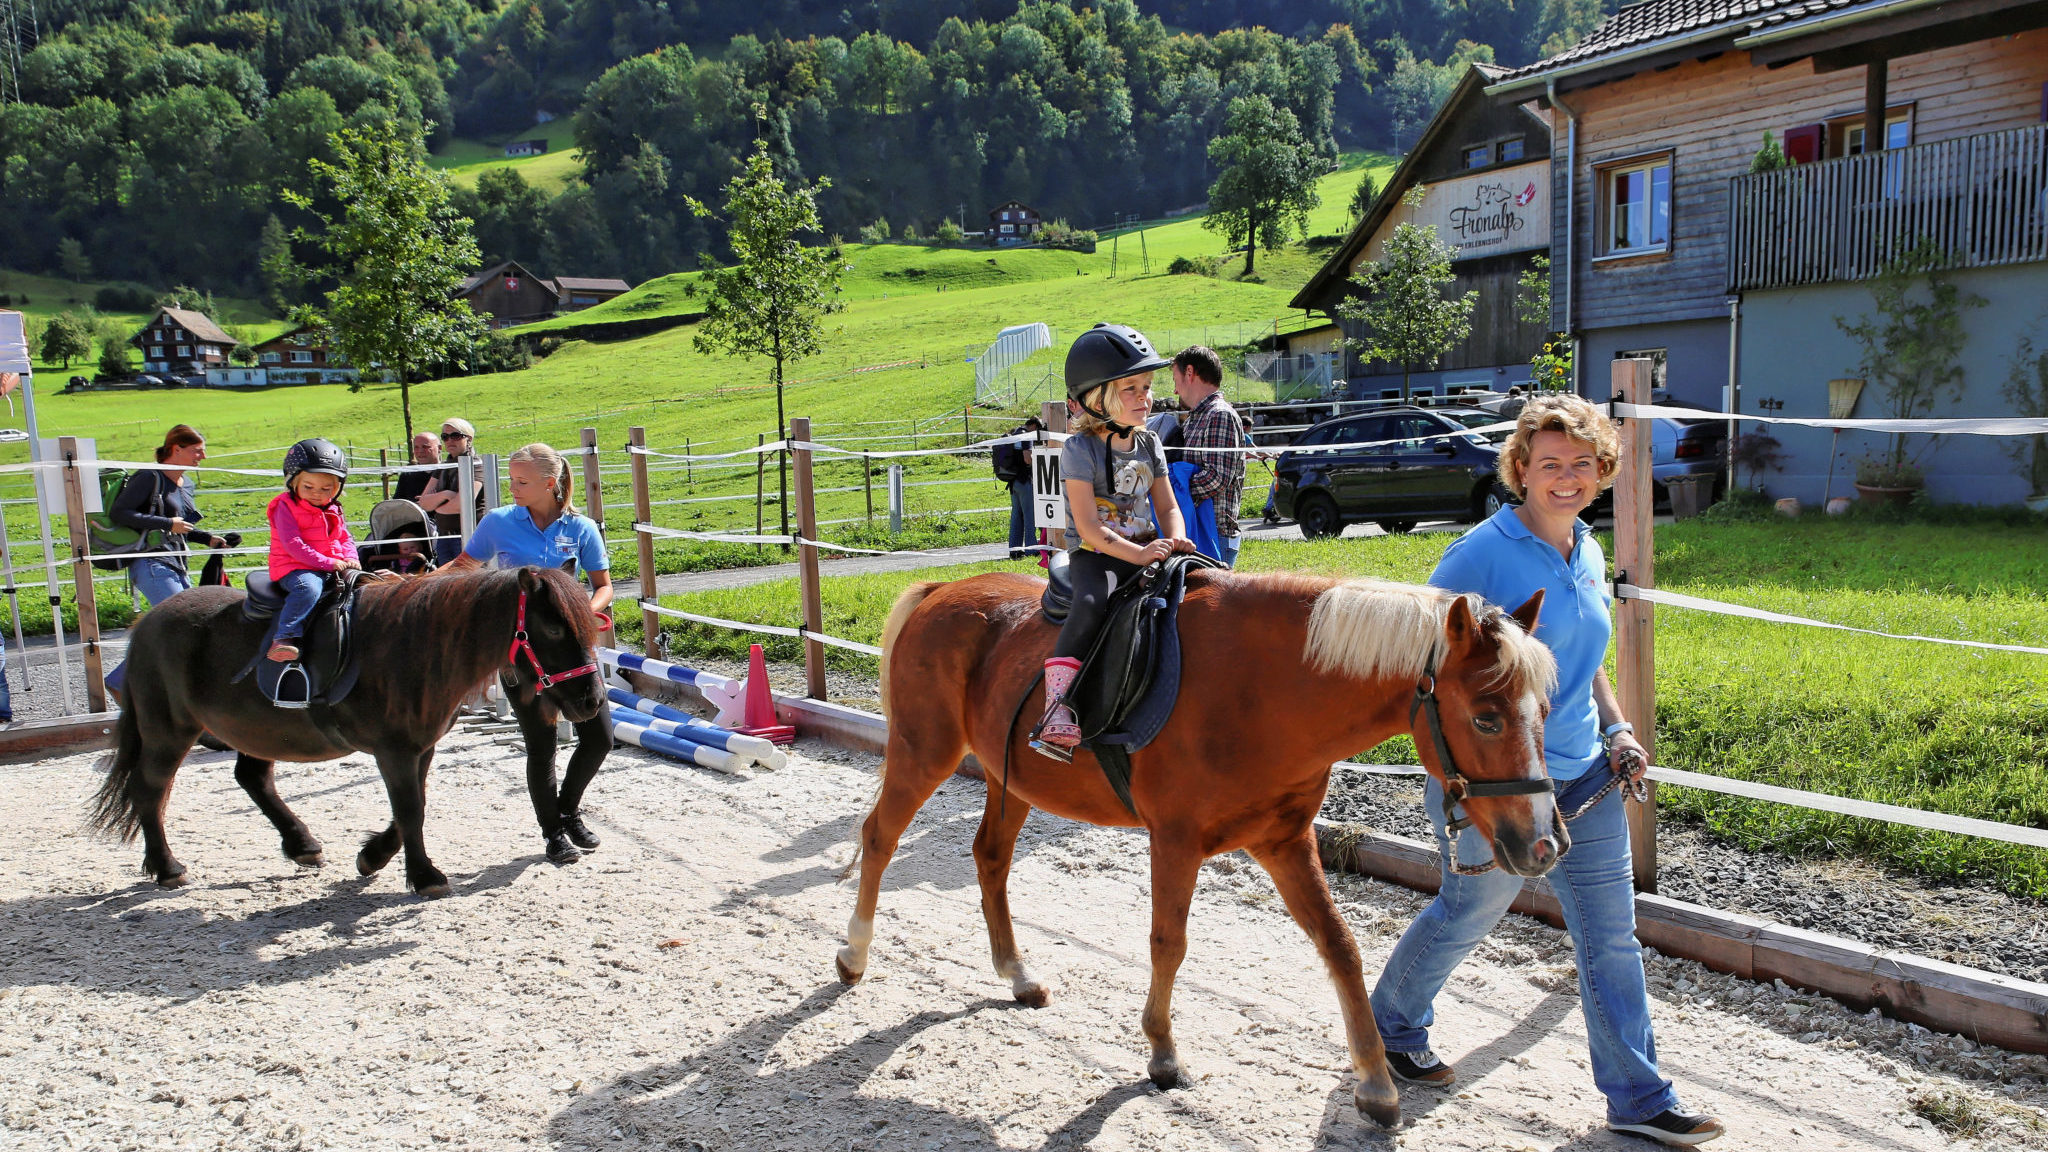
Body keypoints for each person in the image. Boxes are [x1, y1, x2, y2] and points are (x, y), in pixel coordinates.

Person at [1368, 394, 1725, 1147]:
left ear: (1602, 472)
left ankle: (1638, 1097)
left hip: (1584, 779)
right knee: (1471, 912)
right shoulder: (1479, 555)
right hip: (1497, 785)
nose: (1567, 478)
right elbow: (1425, 665)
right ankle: (1392, 1024)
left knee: (1612, 936)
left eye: (1583, 465)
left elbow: (1581, 662)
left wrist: (1619, 726)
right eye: (1550, 464)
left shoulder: (1586, 549)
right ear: (1521, 469)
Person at [435, 442, 613, 865]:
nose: (511, 488)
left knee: (600, 737)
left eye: (520, 481)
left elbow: (604, 585)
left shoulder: (582, 528)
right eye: (511, 479)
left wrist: (580, 613)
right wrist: (413, 586)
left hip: (570, 651)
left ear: (549, 484)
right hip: (518, 653)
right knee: (541, 744)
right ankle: (552, 832)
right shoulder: (497, 522)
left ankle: (568, 809)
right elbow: (462, 566)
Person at [1033, 323, 1193, 757]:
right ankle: (1056, 708)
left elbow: (1167, 508)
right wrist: (1138, 552)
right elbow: (1088, 528)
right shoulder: (1078, 450)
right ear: (1097, 398)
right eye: (1131, 388)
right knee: (1089, 606)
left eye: (1147, 386)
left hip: (1148, 552)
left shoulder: (1151, 442)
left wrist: (1176, 539)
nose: (1146, 397)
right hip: (1097, 556)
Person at [265, 439, 394, 664]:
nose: (317, 493)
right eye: (309, 487)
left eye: (326, 489)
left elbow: (344, 537)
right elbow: (292, 544)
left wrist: (351, 558)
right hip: (295, 567)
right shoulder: (284, 507)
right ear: (293, 482)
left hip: (330, 564)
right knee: (308, 588)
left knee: (367, 587)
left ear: (337, 489)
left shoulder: (334, 508)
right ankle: (285, 637)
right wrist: (326, 562)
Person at [111, 424, 230, 607]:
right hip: (151, 562)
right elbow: (119, 513)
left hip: (178, 564)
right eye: (197, 451)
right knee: (181, 621)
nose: (203, 457)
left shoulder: (187, 483)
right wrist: (167, 523)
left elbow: (179, 525)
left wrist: (207, 539)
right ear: (176, 449)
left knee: (184, 621)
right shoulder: (148, 477)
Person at [1167, 345, 1247, 567]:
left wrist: (1169, 492)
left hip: (1215, 535)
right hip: (1201, 530)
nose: (1175, 390)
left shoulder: (1219, 415)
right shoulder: (1197, 417)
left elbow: (1216, 478)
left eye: (1176, 379)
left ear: (1190, 373)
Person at [415, 418, 484, 564]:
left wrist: (437, 506)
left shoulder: (476, 465)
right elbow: (424, 503)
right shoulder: (443, 467)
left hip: (469, 536)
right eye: (445, 437)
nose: (450, 441)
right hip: (444, 537)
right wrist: (447, 495)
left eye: (456, 436)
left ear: (469, 439)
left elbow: (462, 504)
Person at [994, 416, 1044, 560]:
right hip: (1024, 480)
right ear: (1034, 426)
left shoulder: (1015, 432)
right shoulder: (1026, 436)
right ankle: (1030, 549)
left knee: (1016, 516)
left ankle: (1014, 550)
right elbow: (1027, 458)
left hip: (1013, 482)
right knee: (1030, 515)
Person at [392, 430, 440, 505]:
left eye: (425, 447)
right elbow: (398, 504)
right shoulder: (407, 475)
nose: (420, 451)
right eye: (416, 447)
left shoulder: (448, 472)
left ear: (439, 448)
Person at [365, 527, 435, 576]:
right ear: (400, 551)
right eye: (405, 549)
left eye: (412, 547)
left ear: (420, 547)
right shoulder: (397, 561)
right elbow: (391, 569)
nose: (410, 551)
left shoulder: (422, 560)